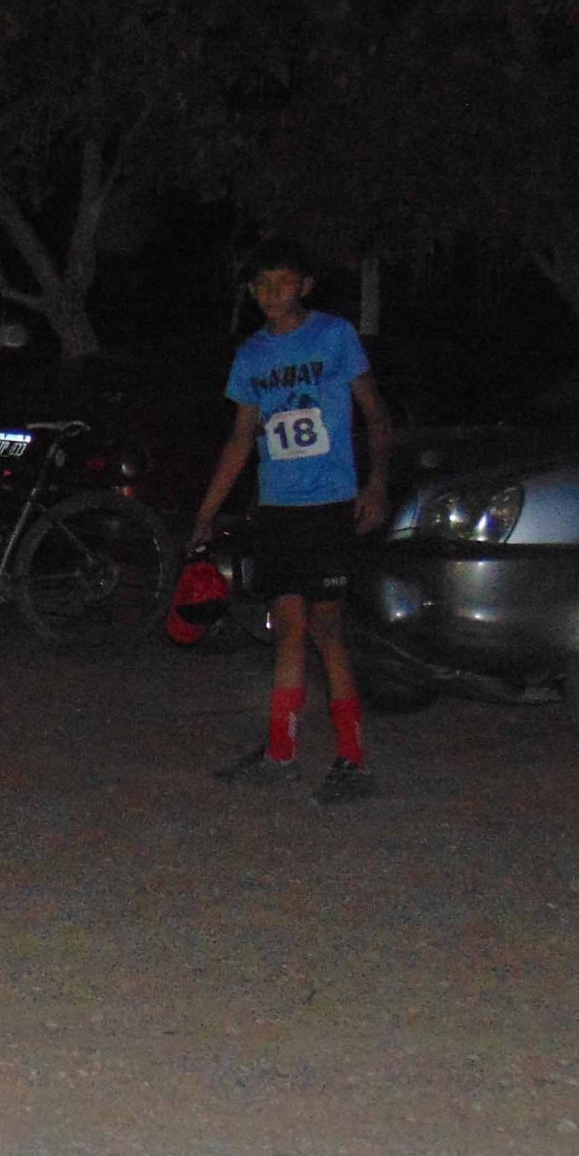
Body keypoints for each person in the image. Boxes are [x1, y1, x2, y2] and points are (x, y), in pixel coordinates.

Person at [187, 239, 396, 803]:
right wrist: (206, 513)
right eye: (260, 285)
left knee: (327, 630)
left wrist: (375, 484)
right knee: (288, 630)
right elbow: (240, 438)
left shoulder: (334, 336)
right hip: (278, 508)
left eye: (281, 282)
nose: (270, 294)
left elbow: (376, 416)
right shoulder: (252, 355)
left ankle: (352, 760)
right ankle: (281, 753)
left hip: (328, 504)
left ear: (304, 285)